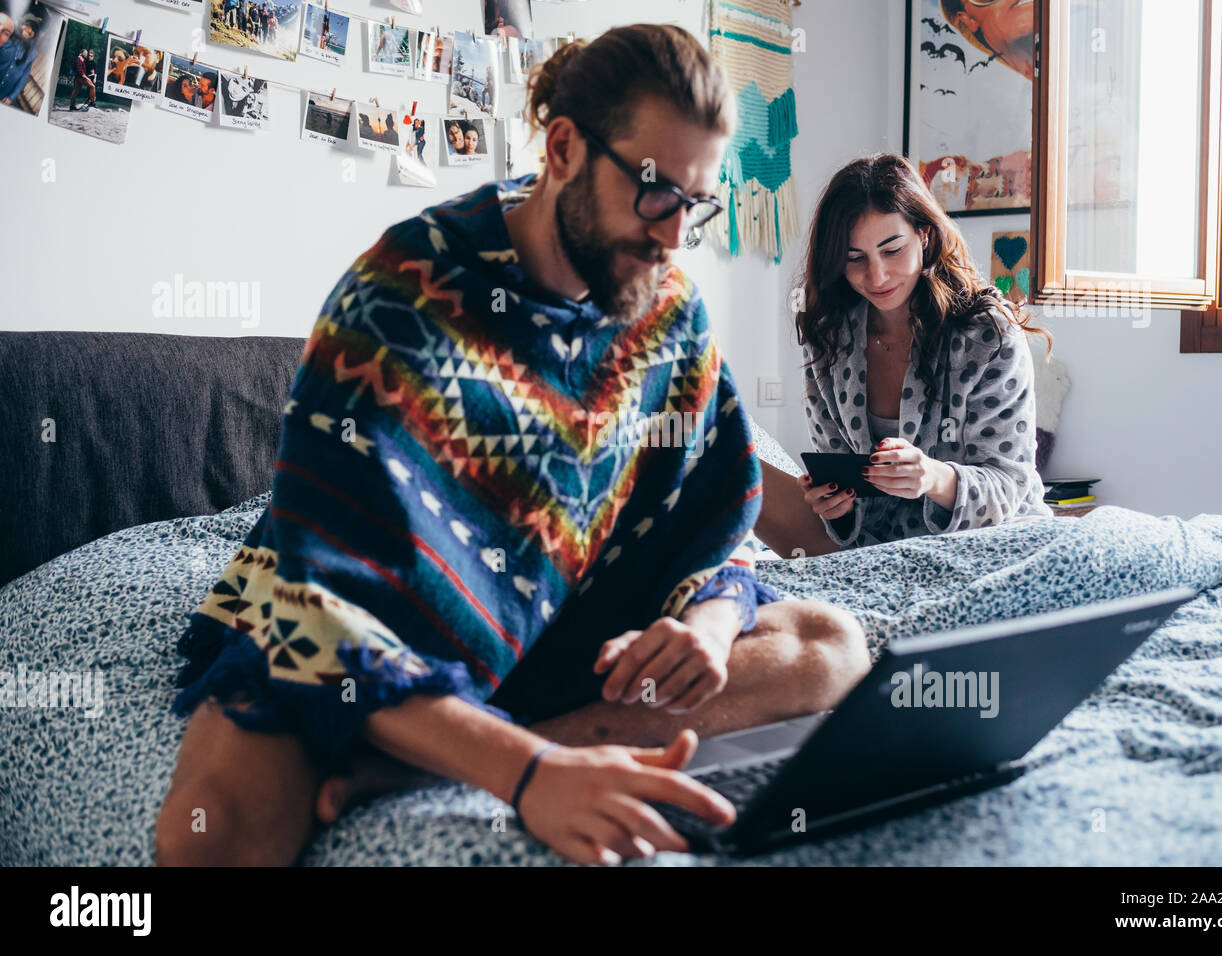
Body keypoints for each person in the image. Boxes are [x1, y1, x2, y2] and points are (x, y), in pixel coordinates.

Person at [154, 23, 868, 868]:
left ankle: (413, 764)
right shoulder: (400, 295)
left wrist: (706, 631)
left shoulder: (665, 308)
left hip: (577, 621)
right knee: (214, 830)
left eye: (696, 203)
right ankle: (468, 739)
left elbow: (715, 520)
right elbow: (325, 609)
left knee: (828, 648)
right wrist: (531, 778)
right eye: (654, 193)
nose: (675, 236)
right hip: (377, 622)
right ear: (563, 147)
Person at [755, 153, 1052, 558]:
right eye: (854, 258)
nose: (876, 277)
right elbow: (843, 486)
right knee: (700, 442)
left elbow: (1009, 486)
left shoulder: (988, 335)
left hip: (988, 543)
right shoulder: (829, 338)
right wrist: (835, 509)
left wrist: (934, 478)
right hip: (875, 550)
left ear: (924, 236)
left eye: (892, 250)